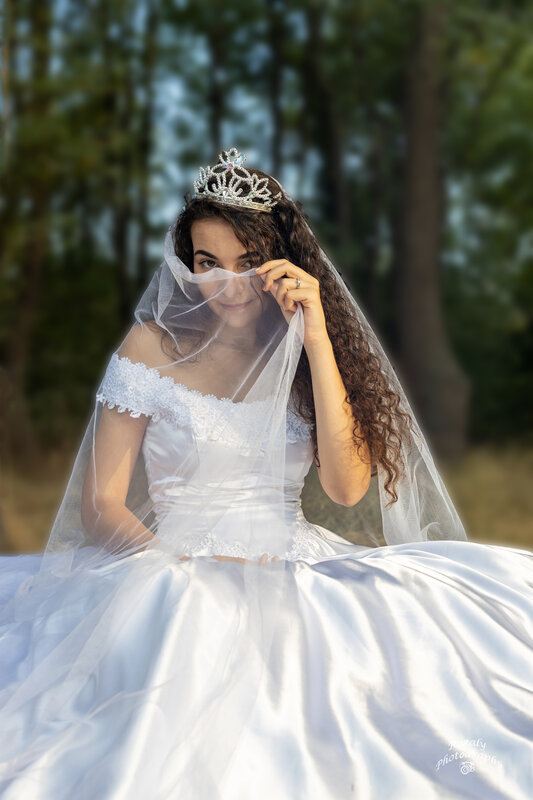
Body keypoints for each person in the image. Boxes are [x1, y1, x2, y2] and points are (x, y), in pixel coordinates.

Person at [0, 147, 531, 800]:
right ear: (186, 264)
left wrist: (316, 338)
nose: (229, 283)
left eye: (248, 261)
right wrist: (179, 570)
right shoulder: (151, 348)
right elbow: (102, 505)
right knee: (186, 651)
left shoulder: (306, 355)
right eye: (207, 263)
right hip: (168, 566)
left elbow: (346, 489)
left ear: (282, 260)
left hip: (293, 560)